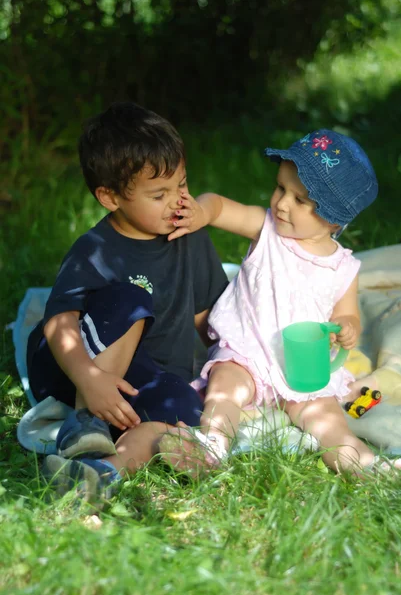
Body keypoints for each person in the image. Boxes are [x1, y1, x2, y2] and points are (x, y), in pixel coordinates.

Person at [164, 128, 401, 476]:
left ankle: (365, 466)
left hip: (302, 370)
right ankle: (212, 446)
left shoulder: (343, 267)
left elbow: (347, 314)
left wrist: (348, 328)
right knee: (224, 389)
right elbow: (219, 205)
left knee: (329, 423)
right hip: (247, 353)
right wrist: (202, 211)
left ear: (334, 219)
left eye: (300, 200)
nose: (282, 203)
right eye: (280, 188)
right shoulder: (266, 228)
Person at [26, 102, 228, 504]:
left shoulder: (191, 237)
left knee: (186, 409)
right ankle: (84, 420)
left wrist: (241, 368)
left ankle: (100, 474)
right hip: (76, 366)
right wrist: (89, 379)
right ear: (110, 197)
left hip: (141, 379)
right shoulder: (96, 250)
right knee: (132, 299)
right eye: (159, 194)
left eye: (183, 186)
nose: (178, 202)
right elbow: (59, 324)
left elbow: (213, 322)